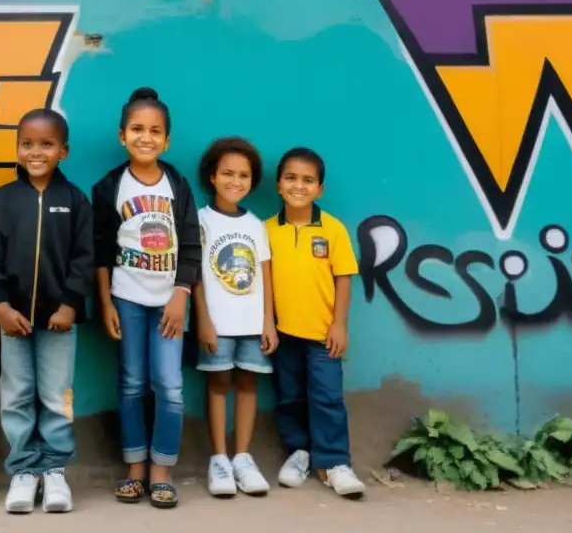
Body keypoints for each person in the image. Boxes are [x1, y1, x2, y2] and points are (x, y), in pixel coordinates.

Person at [0, 108, 94, 514]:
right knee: (16, 396)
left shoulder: (75, 201)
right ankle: (24, 471)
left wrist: (68, 306)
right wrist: (0, 307)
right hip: (12, 322)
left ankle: (55, 470)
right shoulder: (1, 201)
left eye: (46, 144)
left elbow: (84, 260)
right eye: (27, 144)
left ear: (62, 150)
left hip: (58, 323)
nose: (35, 152)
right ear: (17, 147)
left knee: (56, 396)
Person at [92, 87, 201, 509]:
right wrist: (104, 304)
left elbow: (190, 242)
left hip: (169, 300)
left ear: (167, 140)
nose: (146, 137)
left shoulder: (176, 184)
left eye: (155, 131)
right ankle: (135, 469)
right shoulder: (108, 187)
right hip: (127, 299)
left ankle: (162, 470)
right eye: (137, 129)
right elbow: (101, 252)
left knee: (170, 386)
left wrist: (181, 294)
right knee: (133, 382)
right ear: (122, 136)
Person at [265, 147, 366, 497]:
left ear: (320, 189)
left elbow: (344, 278)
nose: (298, 186)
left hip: (323, 333)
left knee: (326, 397)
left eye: (308, 180)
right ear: (278, 184)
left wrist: (339, 324)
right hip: (283, 333)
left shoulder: (333, 229)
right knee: (289, 396)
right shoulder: (266, 231)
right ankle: (299, 452)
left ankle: (336, 462)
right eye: (291, 178)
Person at [193, 138, 277, 498]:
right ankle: (219, 460)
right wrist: (204, 321)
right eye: (227, 173)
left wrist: (268, 322)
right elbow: (194, 276)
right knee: (217, 385)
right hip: (218, 323)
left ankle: (242, 457)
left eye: (243, 175)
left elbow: (266, 277)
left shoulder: (257, 226)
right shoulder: (199, 220)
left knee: (247, 385)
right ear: (212, 176)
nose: (235, 181)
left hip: (252, 324)